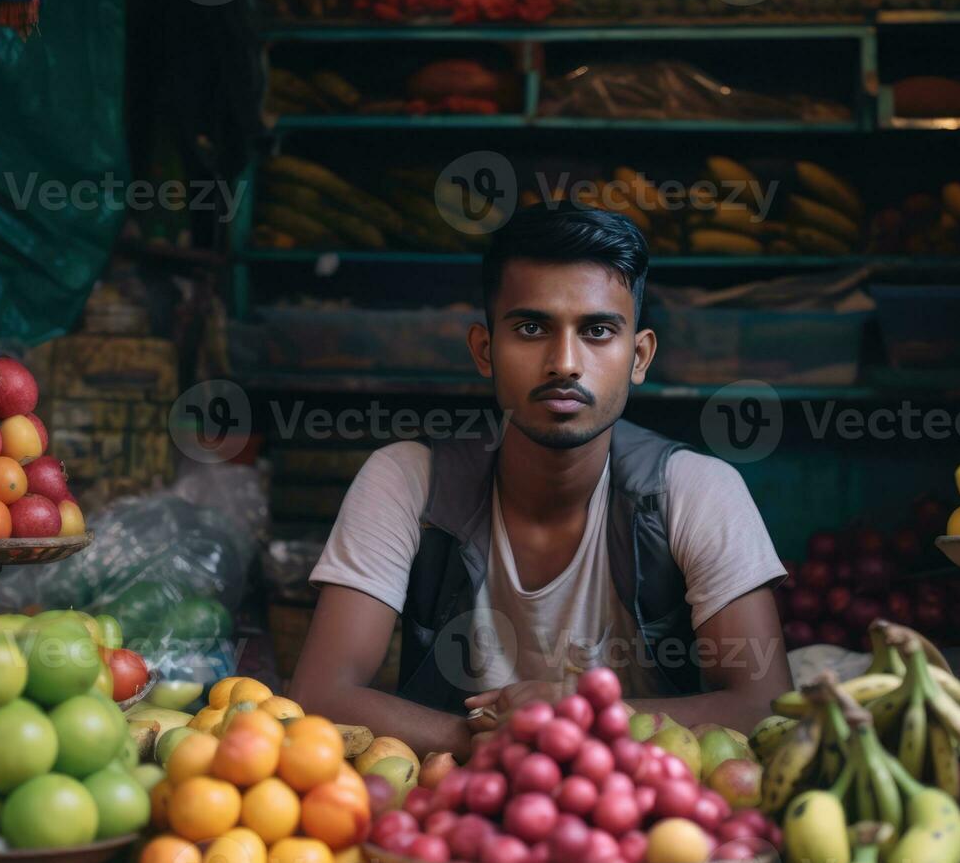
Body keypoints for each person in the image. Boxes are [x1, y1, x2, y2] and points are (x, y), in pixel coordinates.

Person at [291, 205, 789, 758]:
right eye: (532, 328)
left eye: (598, 331)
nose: (564, 363)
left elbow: (763, 702)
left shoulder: (695, 490)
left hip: (645, 817)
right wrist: (500, 743)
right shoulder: (409, 481)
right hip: (450, 813)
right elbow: (320, 695)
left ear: (639, 356)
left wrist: (572, 719)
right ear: (485, 350)